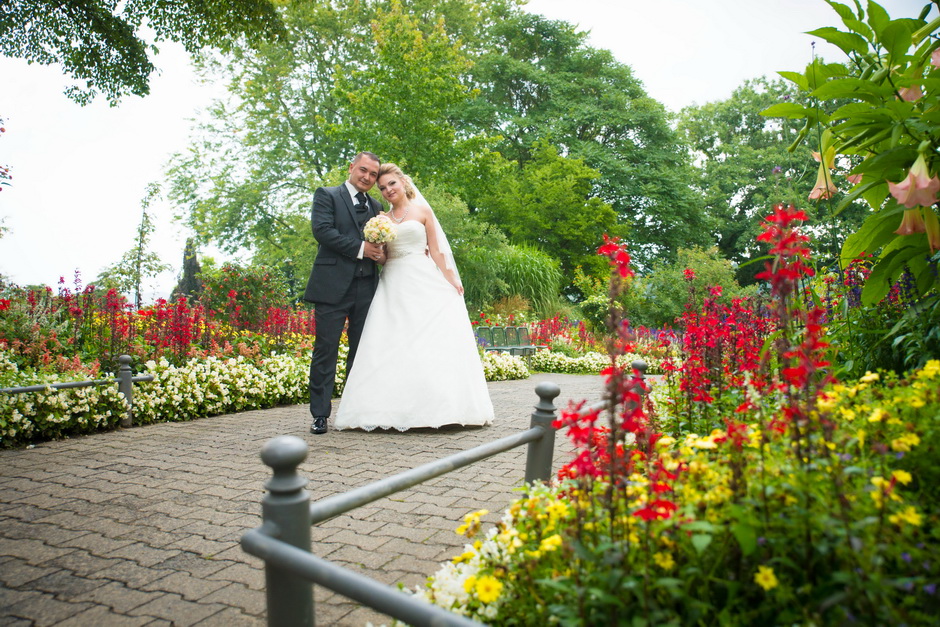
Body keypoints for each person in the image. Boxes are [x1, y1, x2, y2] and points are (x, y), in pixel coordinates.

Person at [334, 163, 494, 431]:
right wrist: (377, 248)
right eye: (382, 188)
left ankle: (440, 409)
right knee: (390, 341)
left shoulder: (422, 211)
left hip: (423, 277)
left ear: (403, 182)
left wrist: (452, 279)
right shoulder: (380, 219)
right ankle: (388, 411)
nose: (387, 191)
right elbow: (383, 258)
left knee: (429, 341)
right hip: (393, 281)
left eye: (391, 184)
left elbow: (437, 250)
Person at [303, 151, 387, 435]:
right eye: (363, 170)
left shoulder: (377, 206)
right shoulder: (327, 195)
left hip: (367, 287)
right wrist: (362, 249)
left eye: (373, 174)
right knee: (325, 351)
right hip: (331, 286)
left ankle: (355, 411)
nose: (367, 177)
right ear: (351, 167)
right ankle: (320, 415)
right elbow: (322, 231)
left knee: (361, 352)